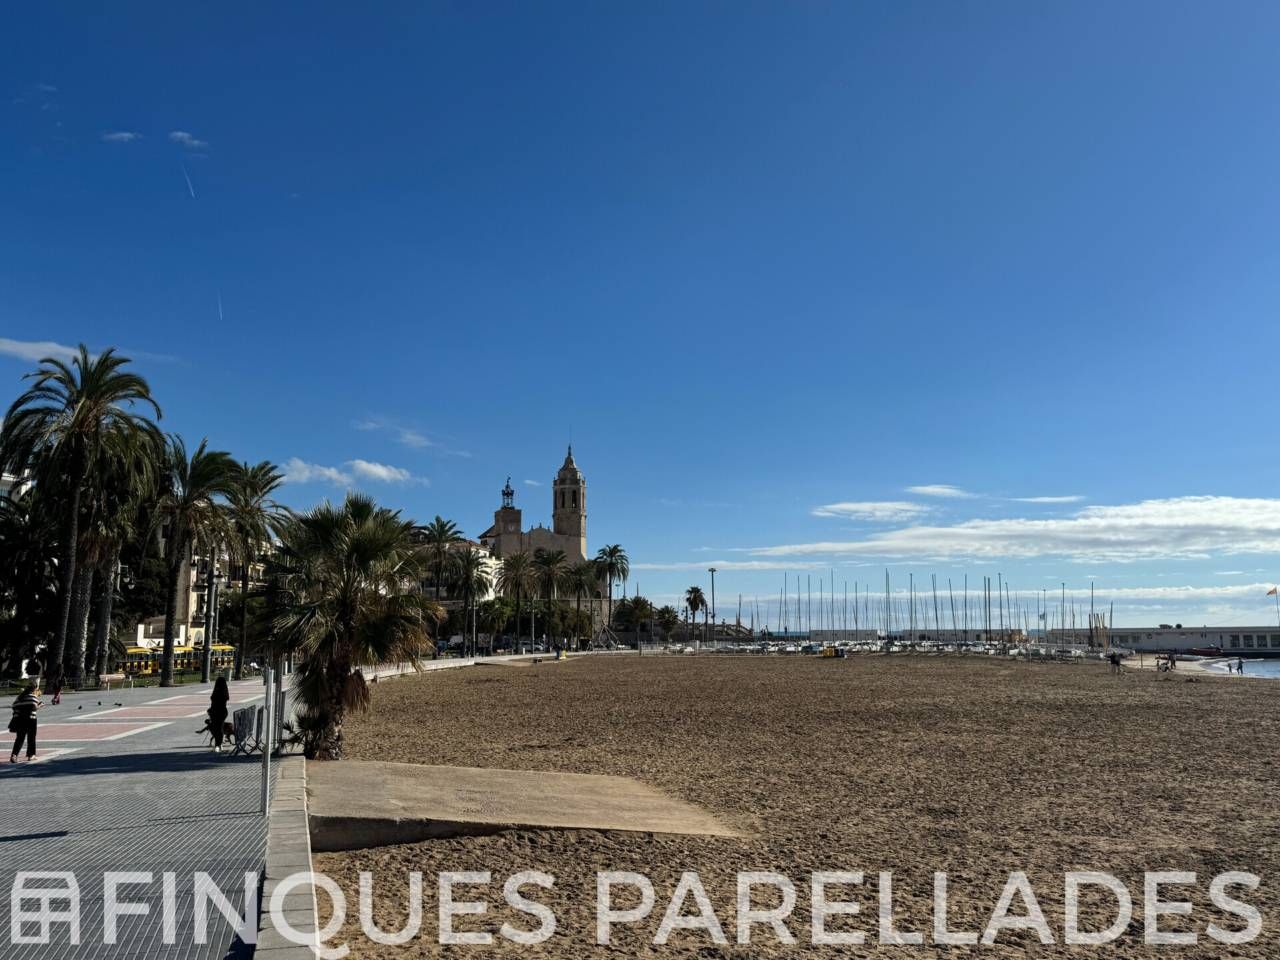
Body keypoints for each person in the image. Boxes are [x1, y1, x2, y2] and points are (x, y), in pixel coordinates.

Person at [9, 683, 41, 762]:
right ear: (34, 689)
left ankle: (14, 755)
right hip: (31, 719)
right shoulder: (33, 697)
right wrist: (40, 706)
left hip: (20, 719)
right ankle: (31, 755)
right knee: (31, 737)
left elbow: (14, 706)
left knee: (19, 738)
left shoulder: (20, 697)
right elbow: (34, 706)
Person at [206, 676, 230, 752]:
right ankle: (219, 745)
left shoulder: (216, 692)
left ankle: (218, 745)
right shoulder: (225, 692)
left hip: (216, 712)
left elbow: (213, 701)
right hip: (222, 712)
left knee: (217, 729)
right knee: (219, 728)